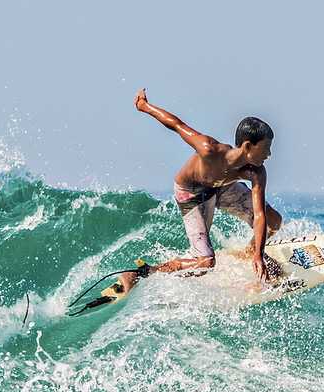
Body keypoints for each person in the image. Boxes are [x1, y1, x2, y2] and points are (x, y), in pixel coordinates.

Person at [118, 88, 283, 294]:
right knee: (205, 263)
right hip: (191, 192)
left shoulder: (256, 172)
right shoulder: (208, 149)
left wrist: (258, 253)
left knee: (274, 220)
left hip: (222, 186)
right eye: (266, 147)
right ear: (248, 146)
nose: (269, 153)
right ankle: (143, 273)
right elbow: (177, 125)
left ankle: (250, 251)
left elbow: (260, 215)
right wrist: (145, 106)